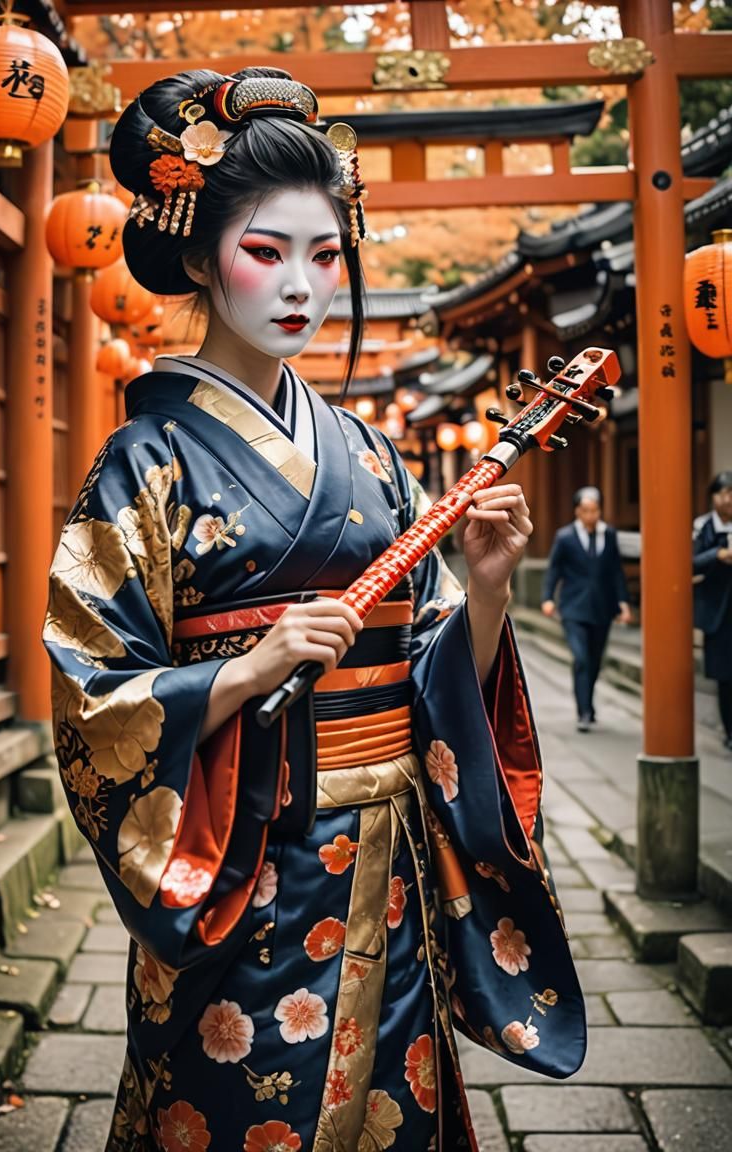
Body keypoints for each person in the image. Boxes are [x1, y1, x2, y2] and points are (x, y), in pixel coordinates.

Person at [44, 67, 583, 1152]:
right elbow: (89, 693)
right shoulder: (140, 463)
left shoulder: (377, 460)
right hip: (244, 862)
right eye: (265, 251)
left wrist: (482, 592)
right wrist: (239, 673)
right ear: (197, 256)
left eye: (325, 254)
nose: (301, 285)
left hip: (386, 860)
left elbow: (432, 671)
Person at [541, 487, 631, 731]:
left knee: (594, 660)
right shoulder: (565, 537)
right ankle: (583, 712)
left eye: (595, 510)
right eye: (586, 510)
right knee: (580, 658)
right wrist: (548, 598)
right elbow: (554, 569)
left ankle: (589, 705)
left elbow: (616, 572)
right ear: (577, 511)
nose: (591, 515)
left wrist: (623, 602)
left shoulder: (609, 535)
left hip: (603, 607)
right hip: (573, 607)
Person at [693, 471, 732, 750]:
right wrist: (718, 555)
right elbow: (690, 561)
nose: (727, 499)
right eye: (722, 493)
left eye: (731, 493)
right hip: (716, 612)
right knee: (723, 677)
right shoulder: (702, 527)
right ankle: (729, 731)